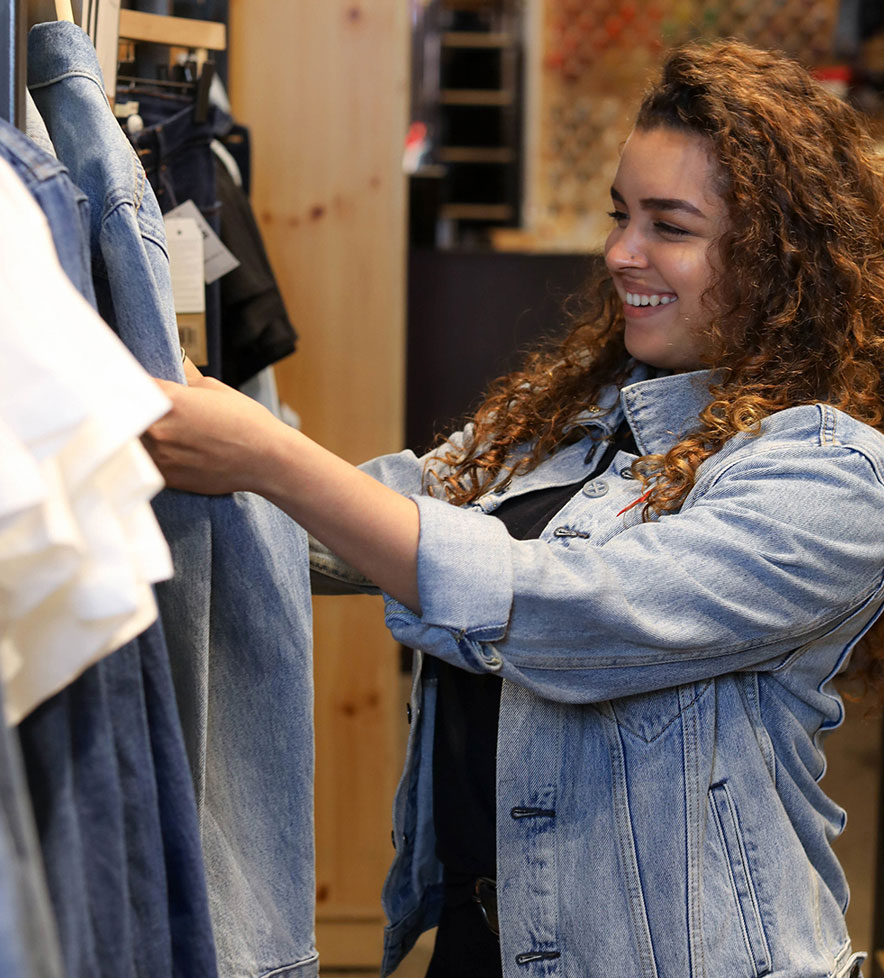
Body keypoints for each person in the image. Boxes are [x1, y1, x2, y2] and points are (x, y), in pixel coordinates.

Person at [144, 38, 884, 978]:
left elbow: (572, 606)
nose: (621, 252)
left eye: (672, 225)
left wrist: (273, 457)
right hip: (487, 940)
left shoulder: (833, 476)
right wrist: (163, 451)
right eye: (622, 214)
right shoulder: (576, 418)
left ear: (783, 259)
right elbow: (369, 525)